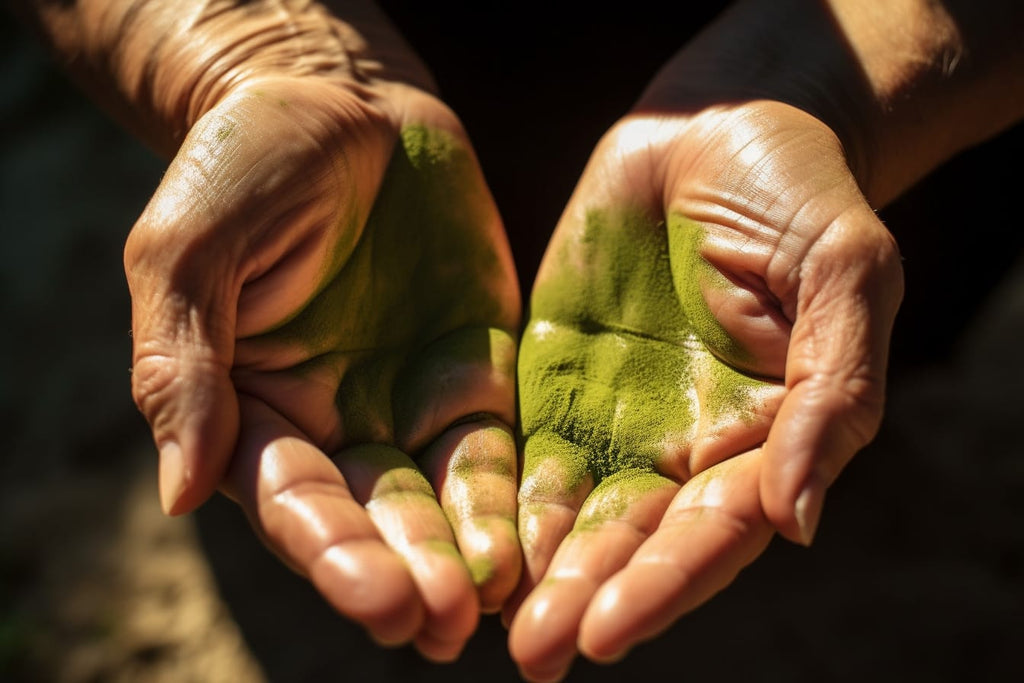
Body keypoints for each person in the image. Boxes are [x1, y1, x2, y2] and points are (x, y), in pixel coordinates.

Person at [8, 0, 1024, 681]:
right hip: (350, 232)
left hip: (768, 197)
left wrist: (823, 90)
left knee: (841, 342)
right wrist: (252, 51)